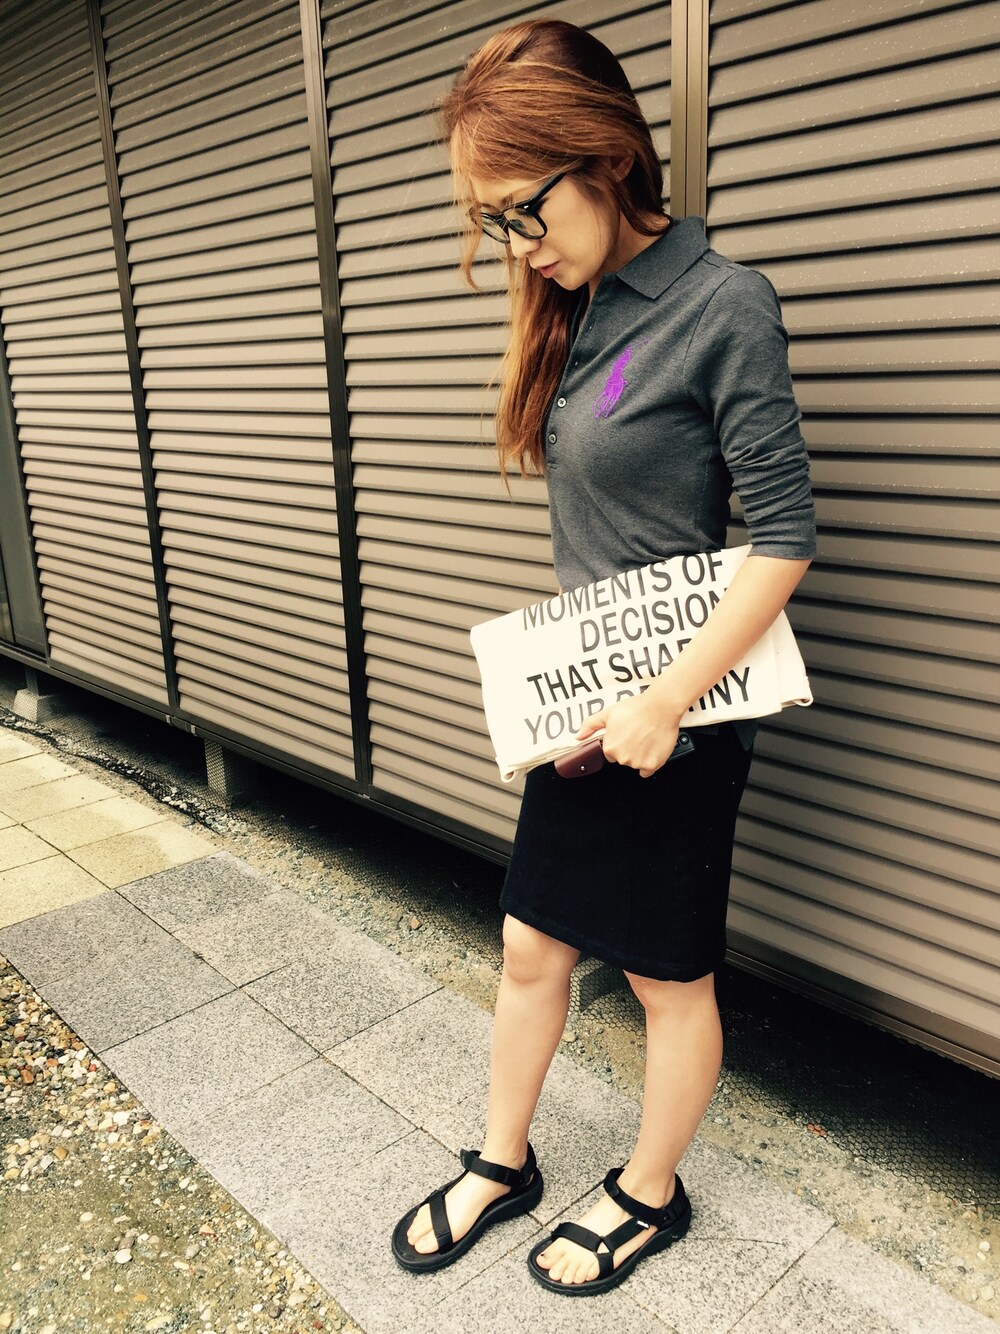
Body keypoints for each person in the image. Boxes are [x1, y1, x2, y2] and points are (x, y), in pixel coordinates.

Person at [391, 18, 816, 1296]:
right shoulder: (570, 305)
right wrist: (571, 682)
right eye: (493, 222)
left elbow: (783, 538)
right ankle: (503, 1159)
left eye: (523, 210)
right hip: (586, 697)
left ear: (608, 157)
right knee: (531, 945)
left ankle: (650, 1189)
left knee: (663, 975)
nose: (516, 245)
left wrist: (667, 702)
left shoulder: (722, 303)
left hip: (680, 713)